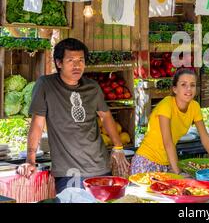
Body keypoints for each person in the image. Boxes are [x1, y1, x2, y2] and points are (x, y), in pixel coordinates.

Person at [17, 38, 129, 194]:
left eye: (81, 60)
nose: (77, 65)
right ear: (59, 63)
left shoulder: (92, 87)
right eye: (71, 60)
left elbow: (106, 116)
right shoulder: (46, 85)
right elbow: (37, 124)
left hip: (100, 166)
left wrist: (118, 148)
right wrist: (30, 160)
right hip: (69, 171)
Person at [131, 68, 209, 174]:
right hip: (146, 161)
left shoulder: (194, 106)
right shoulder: (166, 105)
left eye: (192, 85)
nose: (189, 89)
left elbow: (205, 138)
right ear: (175, 89)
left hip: (168, 163)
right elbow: (168, 142)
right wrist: (178, 173)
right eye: (183, 85)